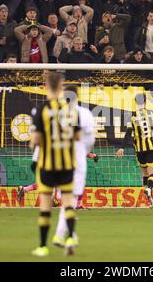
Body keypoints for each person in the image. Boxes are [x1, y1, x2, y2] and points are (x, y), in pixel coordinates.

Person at [30, 72, 81, 257]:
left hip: (47, 166)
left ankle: (43, 247)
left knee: (45, 206)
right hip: (66, 164)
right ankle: (70, 238)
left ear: (46, 86)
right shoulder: (70, 110)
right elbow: (78, 137)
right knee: (67, 204)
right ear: (61, 87)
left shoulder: (41, 110)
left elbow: (34, 141)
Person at [52, 85, 95, 246]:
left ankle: (70, 235)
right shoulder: (85, 114)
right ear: (77, 95)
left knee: (67, 200)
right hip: (77, 160)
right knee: (71, 201)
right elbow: (90, 139)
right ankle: (59, 235)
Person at [116, 93, 153, 208]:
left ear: (136, 102)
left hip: (139, 150)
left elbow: (128, 134)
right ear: (145, 102)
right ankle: (149, 189)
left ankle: (149, 200)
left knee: (145, 174)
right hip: (152, 147)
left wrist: (122, 147)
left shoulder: (132, 116)